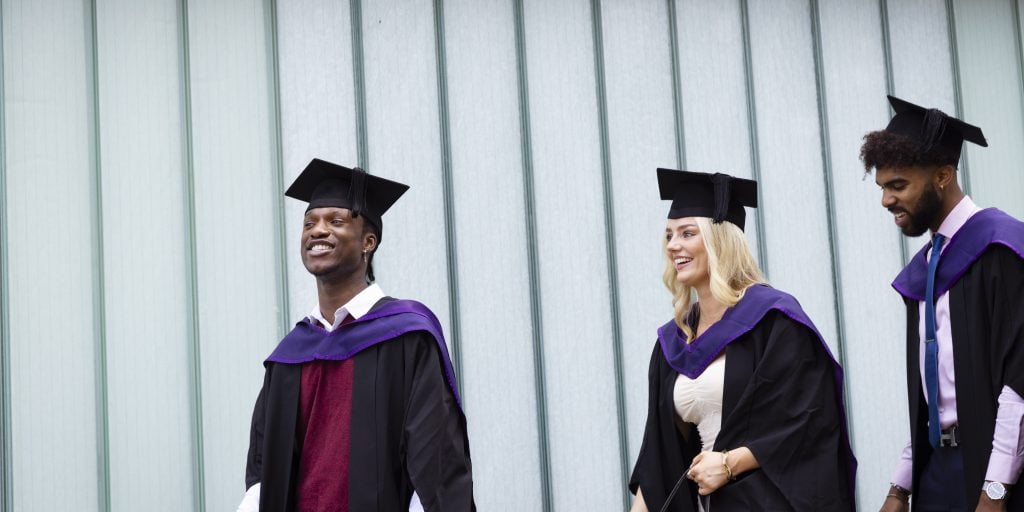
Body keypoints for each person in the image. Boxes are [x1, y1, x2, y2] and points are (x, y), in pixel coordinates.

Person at [237, 158, 475, 512]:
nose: (317, 231)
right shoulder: (290, 354)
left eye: (335, 221)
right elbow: (262, 472)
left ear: (368, 241)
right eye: (309, 223)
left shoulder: (406, 336)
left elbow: (438, 463)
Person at [628, 169, 856, 512]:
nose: (673, 245)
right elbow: (659, 455)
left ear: (720, 240)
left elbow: (810, 421)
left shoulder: (773, 320)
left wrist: (729, 463)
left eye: (688, 233)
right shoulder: (673, 341)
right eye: (669, 235)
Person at [863, 96, 1024, 512]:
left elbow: (1019, 383)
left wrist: (995, 490)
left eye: (898, 186)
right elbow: (935, 395)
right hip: (937, 474)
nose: (886, 200)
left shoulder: (1001, 249)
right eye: (882, 187)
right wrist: (901, 487)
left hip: (994, 475)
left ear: (942, 175)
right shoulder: (927, 270)